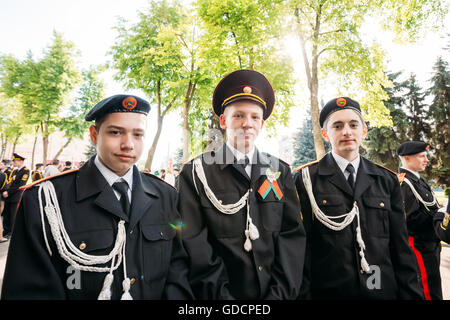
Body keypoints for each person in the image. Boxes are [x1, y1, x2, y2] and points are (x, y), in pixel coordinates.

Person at [2, 94, 193, 300]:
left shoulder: (165, 195)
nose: (128, 144)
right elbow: (29, 290)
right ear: (94, 135)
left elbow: (177, 272)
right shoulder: (45, 199)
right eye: (115, 132)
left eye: (138, 135)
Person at [177, 69, 306, 300]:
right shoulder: (196, 173)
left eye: (255, 117)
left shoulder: (279, 171)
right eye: (239, 116)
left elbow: (291, 238)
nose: (247, 124)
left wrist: (279, 296)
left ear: (262, 124)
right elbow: (195, 244)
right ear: (224, 121)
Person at [293, 97, 423, 300]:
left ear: (363, 131)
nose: (347, 131)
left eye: (353, 125)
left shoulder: (386, 180)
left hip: (381, 290)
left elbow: (400, 249)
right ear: (326, 134)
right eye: (338, 126)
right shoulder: (306, 180)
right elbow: (302, 252)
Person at [397, 141, 443, 300]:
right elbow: (409, 219)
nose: (426, 159)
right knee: (427, 289)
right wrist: (439, 217)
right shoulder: (404, 183)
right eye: (422, 156)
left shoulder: (418, 180)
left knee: (434, 286)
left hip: (430, 244)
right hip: (419, 246)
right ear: (407, 158)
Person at [2, 153, 30, 238]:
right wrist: (6, 190)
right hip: (8, 194)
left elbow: (20, 185)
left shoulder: (25, 171)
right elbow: (10, 182)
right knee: (6, 214)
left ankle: (11, 231)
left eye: (15, 161)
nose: (13, 162)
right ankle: (6, 230)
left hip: (15, 195)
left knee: (12, 215)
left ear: (20, 161)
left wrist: (8, 192)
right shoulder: (15, 170)